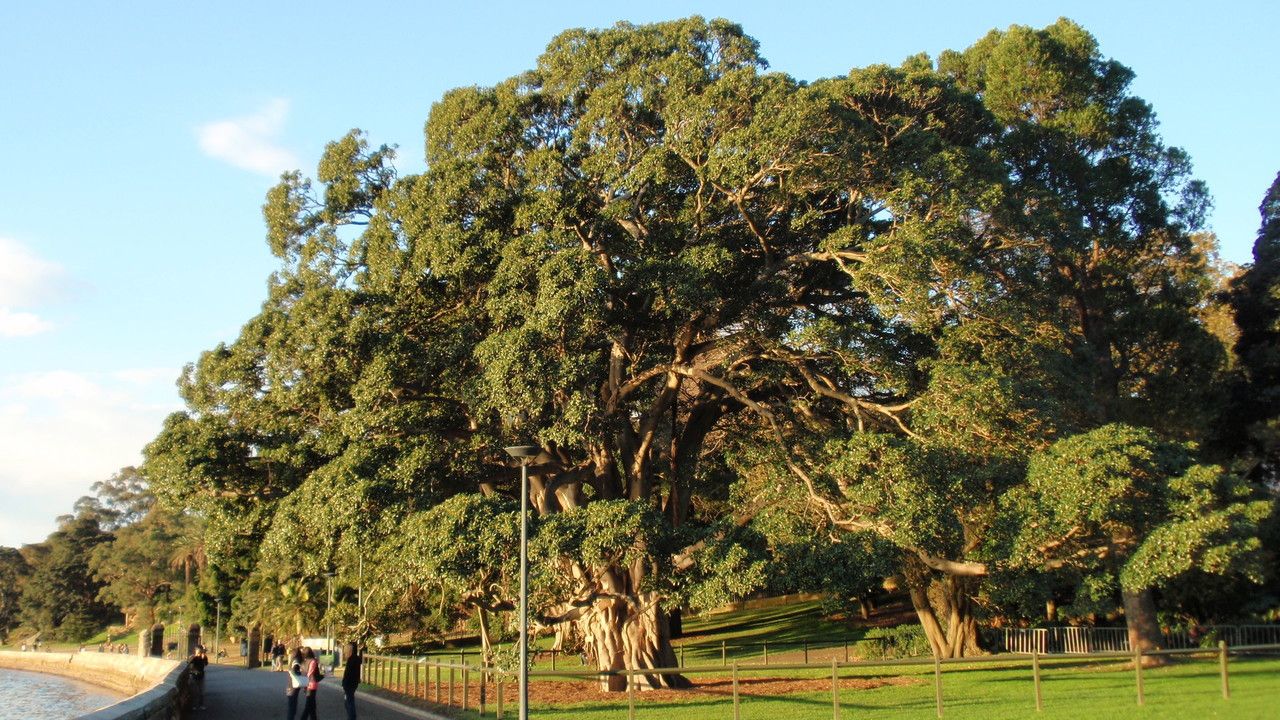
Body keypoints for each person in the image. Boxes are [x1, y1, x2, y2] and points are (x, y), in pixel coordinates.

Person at [299, 646, 322, 720]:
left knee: (312, 705)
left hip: (305, 683)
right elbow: (310, 673)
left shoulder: (303, 662)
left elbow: (303, 672)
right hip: (312, 684)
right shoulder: (313, 661)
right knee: (309, 705)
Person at [340, 642, 361, 720]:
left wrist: (344, 683)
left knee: (349, 702)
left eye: (346, 650)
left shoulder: (352, 659)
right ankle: (351, 716)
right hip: (352, 683)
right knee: (347, 702)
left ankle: (352, 717)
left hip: (350, 683)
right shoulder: (354, 659)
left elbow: (348, 673)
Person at [286, 648, 306, 720]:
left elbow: (293, 671)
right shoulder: (296, 661)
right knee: (292, 705)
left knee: (291, 705)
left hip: (291, 686)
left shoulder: (294, 661)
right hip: (293, 686)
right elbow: (294, 671)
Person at [190, 645, 209, 710]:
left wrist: (204, 658)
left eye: (201, 651)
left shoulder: (204, 657)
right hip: (194, 676)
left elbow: (206, 664)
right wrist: (195, 656)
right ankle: (193, 705)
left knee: (202, 692)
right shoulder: (193, 657)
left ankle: (201, 705)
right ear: (195, 651)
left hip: (201, 675)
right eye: (198, 651)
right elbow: (190, 664)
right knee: (194, 691)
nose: (200, 653)